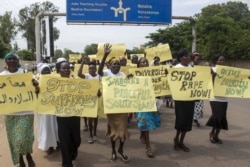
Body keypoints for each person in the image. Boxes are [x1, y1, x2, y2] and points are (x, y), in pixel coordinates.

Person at [0, 52, 37, 167]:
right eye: (9, 59)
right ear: (6, 61)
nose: (12, 61)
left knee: (25, 138)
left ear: (18, 61)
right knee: (15, 140)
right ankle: (20, 159)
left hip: (26, 112)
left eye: (14, 59)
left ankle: (28, 155)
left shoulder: (25, 74)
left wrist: (36, 84)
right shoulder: (1, 76)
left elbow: (37, 89)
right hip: (10, 113)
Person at [98, 43, 130, 163]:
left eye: (118, 64)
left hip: (122, 107)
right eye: (114, 64)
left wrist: (131, 80)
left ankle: (121, 150)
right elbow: (99, 70)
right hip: (111, 107)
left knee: (122, 130)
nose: (116, 65)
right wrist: (105, 55)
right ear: (110, 66)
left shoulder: (123, 75)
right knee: (113, 130)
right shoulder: (106, 73)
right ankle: (113, 150)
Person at [56, 60, 81, 167]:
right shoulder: (54, 83)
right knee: (65, 141)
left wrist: (95, 93)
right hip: (62, 116)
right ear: (58, 70)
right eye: (64, 68)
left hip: (75, 115)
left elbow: (86, 94)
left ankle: (74, 150)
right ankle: (67, 163)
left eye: (68, 68)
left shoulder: (76, 82)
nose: (66, 70)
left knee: (76, 140)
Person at [136, 57, 161, 158]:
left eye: (146, 61)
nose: (145, 63)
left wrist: (165, 74)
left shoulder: (152, 74)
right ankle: (148, 147)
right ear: (139, 65)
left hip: (151, 100)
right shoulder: (134, 75)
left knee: (147, 121)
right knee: (145, 122)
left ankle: (142, 134)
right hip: (140, 102)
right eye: (142, 62)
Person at [173, 49, 195, 152]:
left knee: (187, 122)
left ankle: (182, 142)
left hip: (190, 99)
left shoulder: (192, 68)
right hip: (180, 99)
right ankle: (176, 139)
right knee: (180, 121)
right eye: (184, 56)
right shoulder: (175, 68)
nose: (187, 57)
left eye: (187, 56)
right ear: (180, 58)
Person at [36, 63, 60, 154]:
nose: (46, 72)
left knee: (56, 126)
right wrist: (36, 88)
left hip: (54, 107)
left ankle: (57, 142)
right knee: (47, 127)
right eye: (44, 70)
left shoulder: (55, 79)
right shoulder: (36, 80)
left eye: (47, 70)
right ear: (40, 72)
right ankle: (49, 145)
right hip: (44, 109)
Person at [206, 54, 228, 144]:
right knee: (217, 117)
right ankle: (212, 133)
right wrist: (213, 77)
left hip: (224, 98)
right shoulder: (213, 70)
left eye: (223, 60)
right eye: (220, 60)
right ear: (216, 61)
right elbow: (208, 83)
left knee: (222, 117)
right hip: (214, 98)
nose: (222, 62)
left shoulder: (228, 71)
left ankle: (216, 135)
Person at [78, 61, 100, 144]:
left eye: (93, 68)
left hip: (96, 99)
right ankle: (91, 135)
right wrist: (82, 63)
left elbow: (101, 87)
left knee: (96, 118)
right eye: (90, 68)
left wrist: (99, 92)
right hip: (88, 99)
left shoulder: (99, 76)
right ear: (88, 69)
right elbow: (79, 74)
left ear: (96, 69)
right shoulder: (87, 76)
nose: (91, 69)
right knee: (90, 118)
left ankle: (95, 133)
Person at [191, 52, 204, 127]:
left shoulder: (202, 69)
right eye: (196, 59)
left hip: (199, 90)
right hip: (191, 90)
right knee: (191, 105)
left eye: (199, 59)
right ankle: (192, 119)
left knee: (199, 105)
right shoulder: (189, 67)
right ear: (193, 59)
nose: (198, 60)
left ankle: (195, 119)